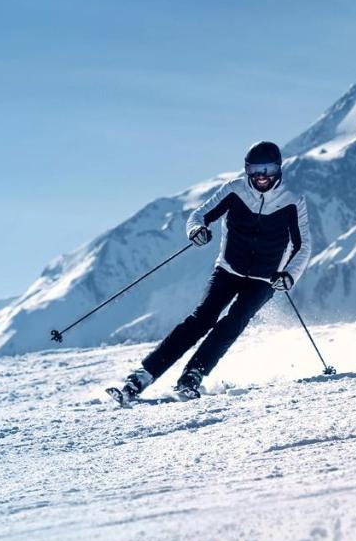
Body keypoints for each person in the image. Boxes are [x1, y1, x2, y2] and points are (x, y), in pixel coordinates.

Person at [110, 141, 313, 402]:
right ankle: (143, 375)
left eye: (269, 168)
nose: (262, 176)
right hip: (228, 270)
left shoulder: (292, 202)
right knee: (202, 319)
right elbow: (199, 215)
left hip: (264, 279)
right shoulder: (235, 190)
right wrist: (197, 231)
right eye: (255, 169)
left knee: (235, 321)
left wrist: (288, 275)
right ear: (247, 169)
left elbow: (303, 244)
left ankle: (193, 375)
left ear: (279, 169)